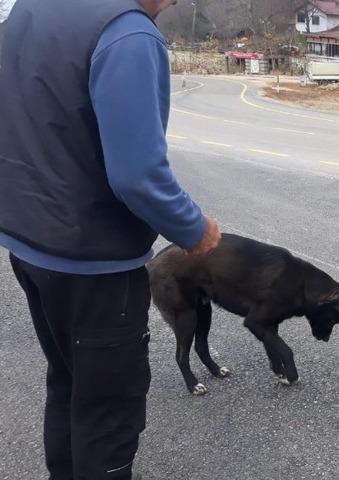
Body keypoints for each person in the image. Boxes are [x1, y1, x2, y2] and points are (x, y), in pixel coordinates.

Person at [0, 0, 220, 478]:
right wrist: (194, 230)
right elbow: (139, 175)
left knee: (68, 385)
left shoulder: (32, 8)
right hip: (93, 265)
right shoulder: (127, 33)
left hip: (27, 242)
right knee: (108, 414)